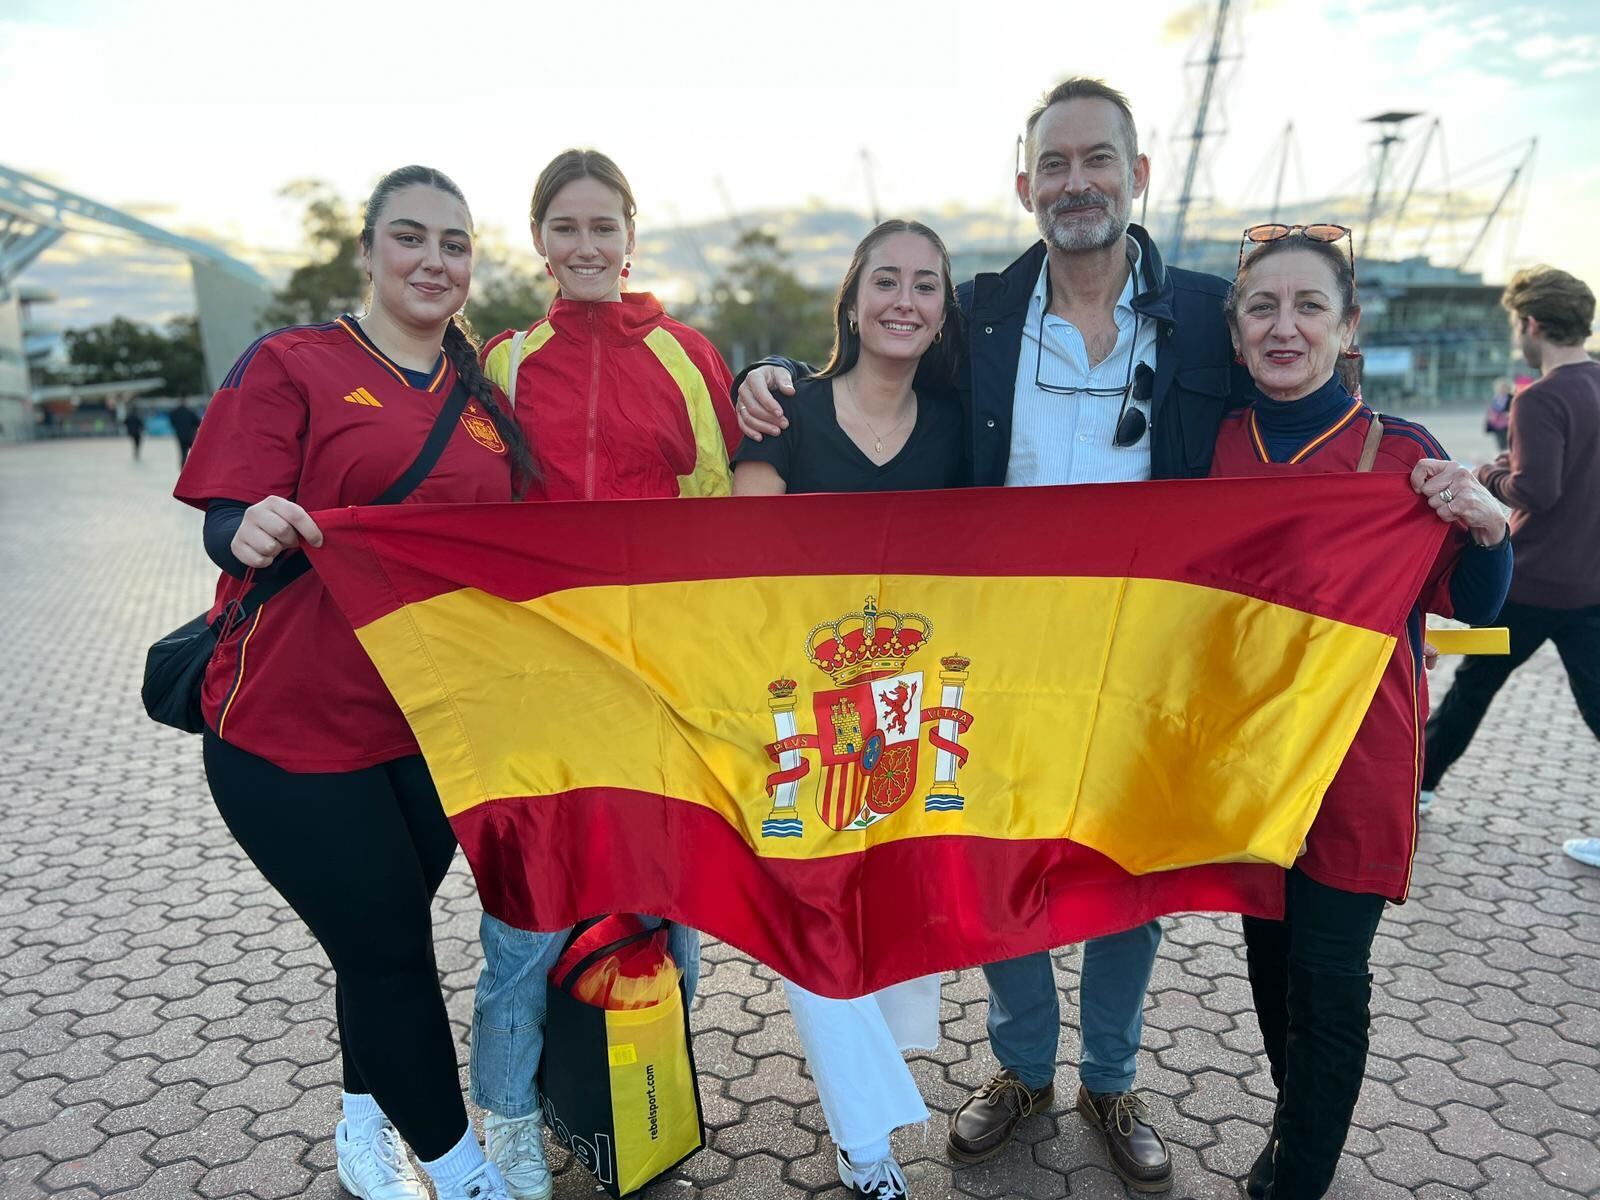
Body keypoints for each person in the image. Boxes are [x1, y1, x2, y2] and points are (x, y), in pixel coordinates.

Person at [735, 78, 1247, 1193]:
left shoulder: (1209, 312)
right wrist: (760, 377)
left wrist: (1416, 470)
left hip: (1141, 651)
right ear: (1025, 186)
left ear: (1136, 175)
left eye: (1097, 160)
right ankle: (1019, 1068)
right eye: (1054, 164)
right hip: (996, 655)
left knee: (1132, 871)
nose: (1077, 183)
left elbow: (1303, 389)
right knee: (998, 860)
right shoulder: (980, 313)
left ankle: (1109, 1078)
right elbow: (869, 363)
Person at [174, 165, 535, 1200]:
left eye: (455, 244)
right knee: (387, 950)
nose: (434, 260)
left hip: (429, 726)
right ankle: (463, 1175)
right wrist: (240, 523)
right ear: (368, 254)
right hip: (286, 726)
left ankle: (361, 1117)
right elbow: (226, 510)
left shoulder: (479, 399)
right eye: (411, 238)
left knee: (375, 933)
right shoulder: (293, 362)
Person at [1210, 225, 1512, 1198]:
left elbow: (1476, 606)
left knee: (1327, 981)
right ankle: (1293, 1128)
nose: (1283, 326)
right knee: (1268, 961)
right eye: (1262, 306)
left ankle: (1295, 1174)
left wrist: (1484, 522)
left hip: (1352, 766)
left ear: (1347, 328)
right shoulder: (1210, 444)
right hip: (1248, 767)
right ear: (1235, 327)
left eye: (1308, 306)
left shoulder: (1404, 456)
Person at [470, 148, 739, 1200]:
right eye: (566, 227)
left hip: (657, 693)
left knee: (669, 916)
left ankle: (644, 1103)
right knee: (522, 930)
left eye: (604, 227)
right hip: (536, 696)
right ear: (539, 241)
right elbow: (469, 518)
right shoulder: (499, 361)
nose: (587, 247)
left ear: (631, 237)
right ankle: (508, 1138)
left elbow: (718, 517)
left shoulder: (684, 355)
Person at [733, 219, 968, 1199]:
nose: (903, 300)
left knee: (893, 912)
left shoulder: (959, 427)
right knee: (811, 915)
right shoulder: (787, 413)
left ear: (944, 308)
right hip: (796, 707)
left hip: (910, 712)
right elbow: (742, 566)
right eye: (885, 280)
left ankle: (862, 1105)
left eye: (924, 283)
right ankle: (866, 1146)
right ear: (852, 297)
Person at [1421, 266, 1599, 862]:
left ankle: (1418, 785)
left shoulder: (1540, 397)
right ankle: (1420, 782)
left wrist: (1485, 473)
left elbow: (1536, 491)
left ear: (1532, 323)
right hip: (1591, 589)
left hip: (1530, 586)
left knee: (1473, 685)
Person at [169, 399, 202, 467]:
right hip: (190, 436)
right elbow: (198, 423)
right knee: (195, 453)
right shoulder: (190, 412)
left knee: (183, 453)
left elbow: (172, 422)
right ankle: (195, 466)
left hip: (180, 436)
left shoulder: (175, 413)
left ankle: (183, 470)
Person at [1484, 377, 1513, 451]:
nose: (1502, 389)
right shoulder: (1495, 398)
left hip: (1508, 424)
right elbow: (1491, 410)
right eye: (1500, 387)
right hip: (1497, 425)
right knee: (1500, 445)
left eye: (1503, 387)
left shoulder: (1511, 398)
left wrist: (1508, 414)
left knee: (1509, 444)